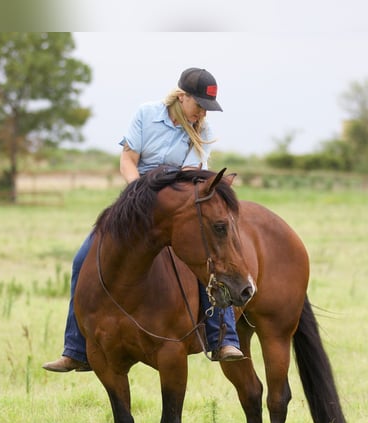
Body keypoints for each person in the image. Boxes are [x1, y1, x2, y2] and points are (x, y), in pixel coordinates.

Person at [43, 67, 244, 373]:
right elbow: (128, 159)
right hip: (136, 200)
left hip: (175, 206)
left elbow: (192, 176)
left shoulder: (201, 131)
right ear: (181, 96)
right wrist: (138, 193)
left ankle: (224, 336)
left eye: (207, 107)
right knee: (82, 258)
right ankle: (75, 348)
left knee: (208, 257)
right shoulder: (146, 114)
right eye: (199, 104)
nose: (202, 112)